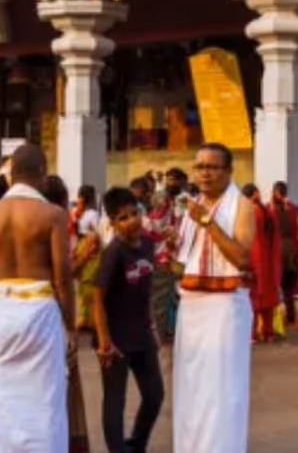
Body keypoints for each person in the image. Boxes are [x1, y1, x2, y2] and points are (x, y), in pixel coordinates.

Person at [0, 144, 75, 453]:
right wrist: (70, 327)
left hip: (3, 310)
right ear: (42, 174)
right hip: (40, 309)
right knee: (45, 401)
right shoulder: (53, 215)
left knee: (4, 399)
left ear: (10, 175)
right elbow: (63, 278)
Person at [174, 143, 255, 453]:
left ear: (228, 171)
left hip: (224, 306)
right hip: (192, 306)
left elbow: (242, 259)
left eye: (212, 167)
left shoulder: (242, 206)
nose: (204, 173)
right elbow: (183, 264)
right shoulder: (192, 206)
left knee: (221, 389)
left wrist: (207, 222)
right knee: (191, 389)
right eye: (199, 166)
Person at [94, 186, 164, 453]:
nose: (132, 220)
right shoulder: (113, 253)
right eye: (123, 217)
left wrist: (153, 327)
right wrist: (104, 341)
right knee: (115, 400)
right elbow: (97, 297)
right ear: (112, 223)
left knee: (155, 395)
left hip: (142, 334)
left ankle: (136, 444)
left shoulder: (147, 244)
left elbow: (146, 291)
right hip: (116, 339)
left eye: (135, 213)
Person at [145, 167, 185, 345]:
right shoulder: (161, 204)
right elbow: (153, 230)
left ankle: (173, 333)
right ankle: (161, 336)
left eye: (174, 179)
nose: (171, 182)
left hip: (181, 257)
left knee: (181, 297)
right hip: (163, 257)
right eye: (168, 179)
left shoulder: (185, 201)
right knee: (161, 299)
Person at [242, 183, 282, 343]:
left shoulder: (248, 212)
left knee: (253, 298)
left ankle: (253, 334)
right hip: (267, 258)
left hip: (252, 257)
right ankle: (268, 332)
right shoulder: (267, 212)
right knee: (267, 297)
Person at [70, 184, 103, 335]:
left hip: (80, 245)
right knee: (89, 282)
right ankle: (90, 319)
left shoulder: (77, 212)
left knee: (82, 282)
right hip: (91, 246)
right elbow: (96, 233)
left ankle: (84, 318)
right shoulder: (93, 214)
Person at [270, 181, 298, 325]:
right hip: (292, 250)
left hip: (276, 251)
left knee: (275, 285)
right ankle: (290, 316)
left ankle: (274, 320)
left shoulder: (269, 209)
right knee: (289, 288)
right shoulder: (293, 209)